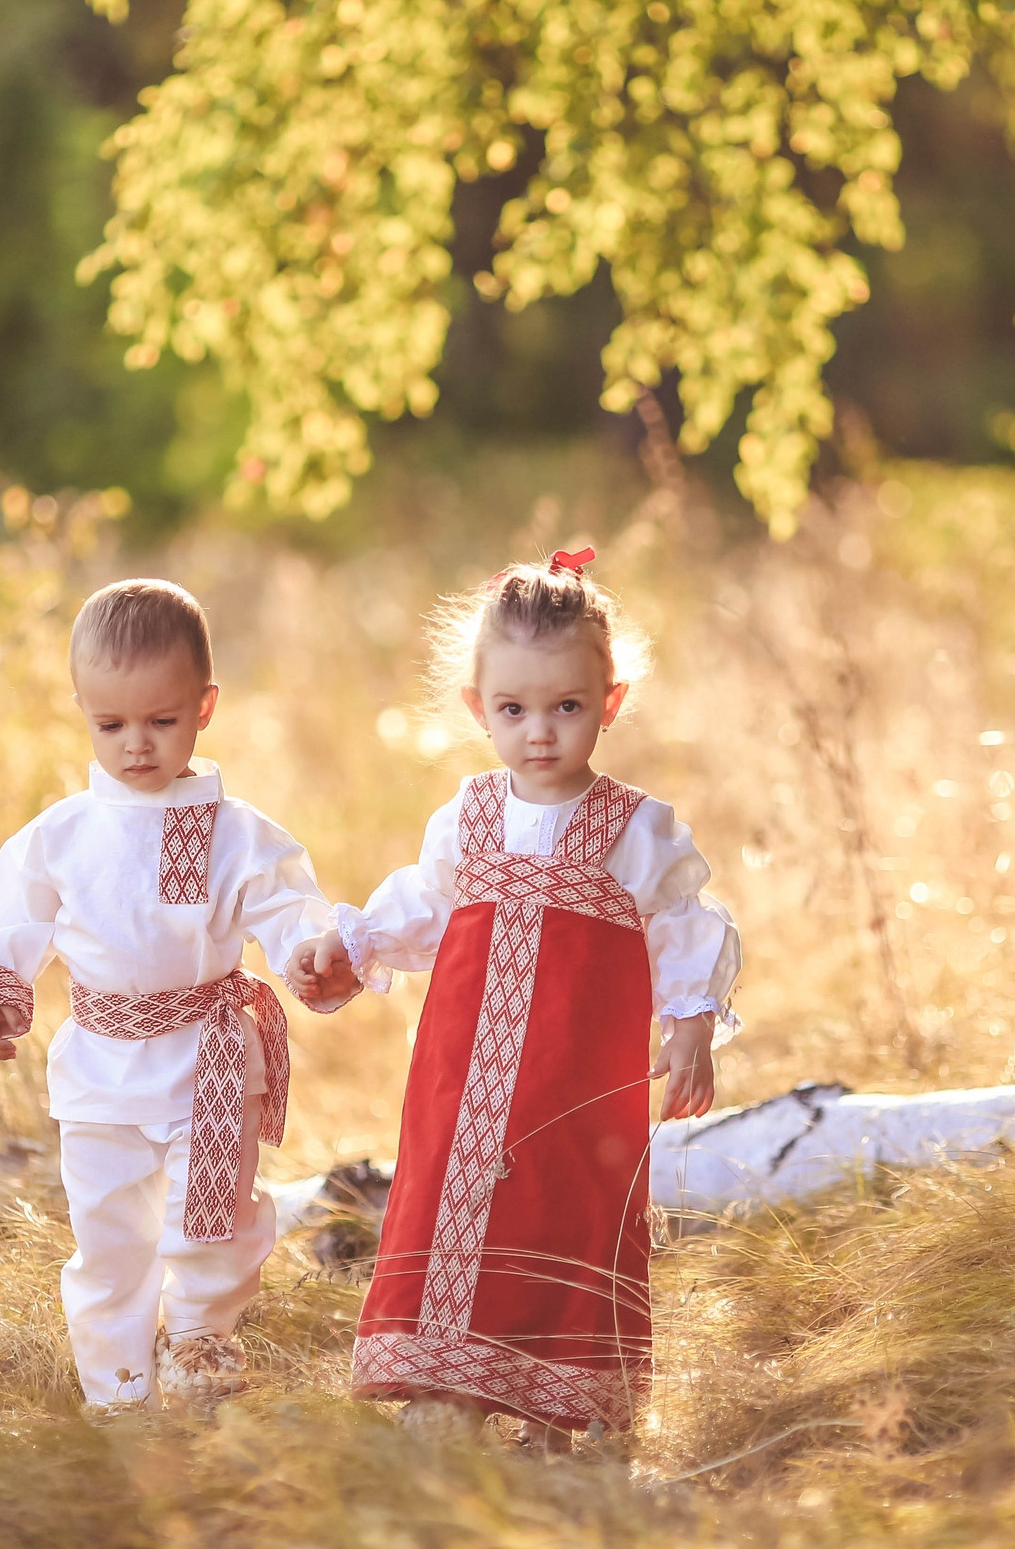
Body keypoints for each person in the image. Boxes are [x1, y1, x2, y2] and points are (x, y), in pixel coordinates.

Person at [305, 548, 741, 1446]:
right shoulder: (466, 817)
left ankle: (563, 1398)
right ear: (478, 708)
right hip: (463, 1075)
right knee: (444, 1196)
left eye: (567, 707)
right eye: (513, 709)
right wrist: (349, 948)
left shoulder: (639, 831)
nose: (539, 730)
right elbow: (420, 906)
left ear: (610, 702)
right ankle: (446, 1388)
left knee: (569, 1206)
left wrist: (692, 1026)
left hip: (577, 1078)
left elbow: (687, 929)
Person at [0, 578, 356, 1414]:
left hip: (204, 1062)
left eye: (160, 720)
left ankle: (200, 1339)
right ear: (83, 711)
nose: (136, 744)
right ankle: (119, 1390)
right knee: (109, 1237)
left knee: (212, 1220)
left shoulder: (237, 832)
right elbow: (10, 915)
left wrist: (312, 953)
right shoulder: (60, 835)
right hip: (101, 1069)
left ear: (204, 706)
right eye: (111, 724)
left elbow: (288, 908)